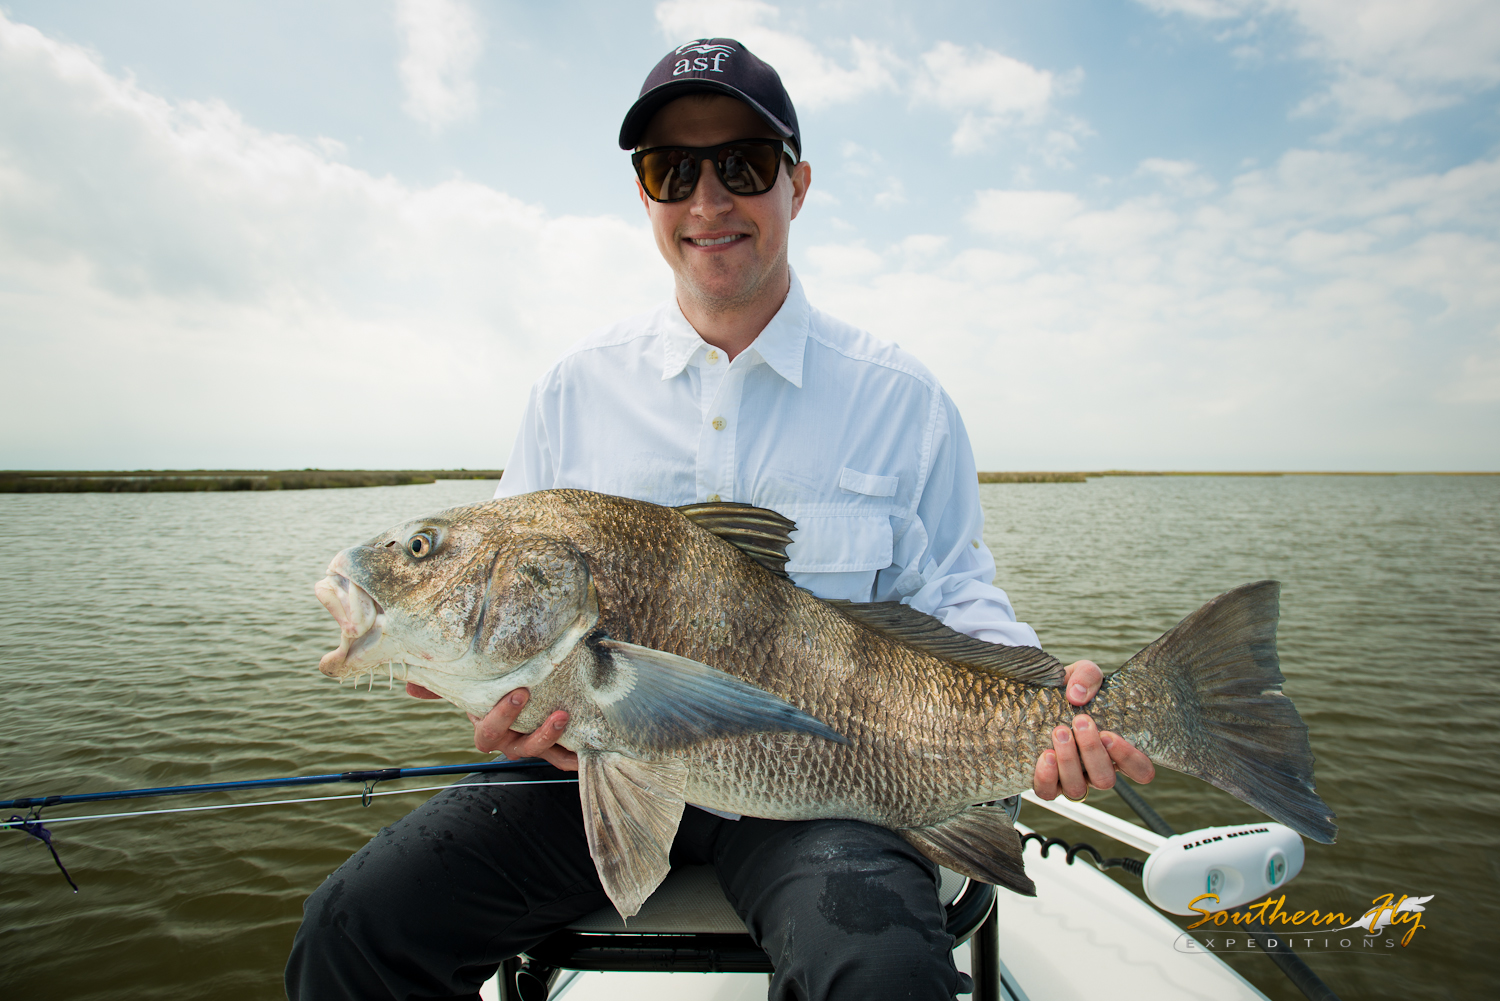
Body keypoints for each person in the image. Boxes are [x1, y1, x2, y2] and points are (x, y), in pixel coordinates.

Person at [286, 38, 1154, 1001]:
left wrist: (1057, 708)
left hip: (827, 783)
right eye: (671, 170)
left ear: (798, 183)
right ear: (645, 196)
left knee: (881, 979)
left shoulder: (902, 397)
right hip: (586, 767)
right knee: (351, 935)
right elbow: (504, 629)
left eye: (741, 164)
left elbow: (954, 593)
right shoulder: (571, 391)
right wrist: (483, 694)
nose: (707, 201)